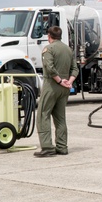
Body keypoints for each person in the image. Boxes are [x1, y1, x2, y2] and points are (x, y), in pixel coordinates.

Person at [35, 26, 77, 157]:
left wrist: (59, 81)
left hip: (52, 85)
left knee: (43, 115)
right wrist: (69, 82)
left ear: (49, 36)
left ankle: (47, 147)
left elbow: (50, 67)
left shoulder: (49, 49)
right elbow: (75, 69)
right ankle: (62, 146)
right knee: (60, 117)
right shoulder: (68, 49)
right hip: (65, 88)